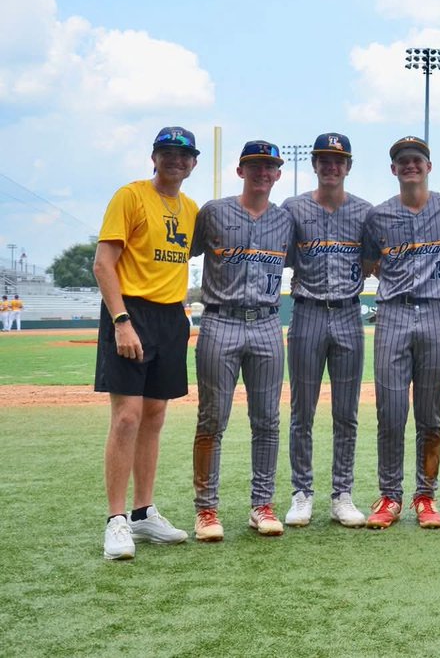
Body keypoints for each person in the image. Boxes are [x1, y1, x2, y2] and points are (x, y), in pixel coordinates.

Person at [93, 126, 200, 560]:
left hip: (171, 315)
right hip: (130, 312)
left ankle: (143, 513)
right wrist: (121, 320)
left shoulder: (191, 209)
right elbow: (103, 264)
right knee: (127, 417)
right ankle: (115, 519)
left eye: (183, 154)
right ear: (153, 157)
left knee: (154, 416)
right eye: (166, 152)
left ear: (193, 163)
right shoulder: (131, 196)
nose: (175, 160)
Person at [361, 136, 440, 529]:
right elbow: (369, 262)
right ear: (393, 169)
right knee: (390, 412)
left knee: (430, 414)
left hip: (438, 313)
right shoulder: (378, 216)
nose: (410, 166)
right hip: (392, 313)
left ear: (429, 166)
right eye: (403, 161)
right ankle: (390, 496)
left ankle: (426, 496)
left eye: (417, 160)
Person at [191, 140, 294, 540]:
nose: (262, 173)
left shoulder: (285, 220)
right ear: (240, 171)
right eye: (255, 166)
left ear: (278, 174)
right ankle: (206, 510)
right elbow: (186, 251)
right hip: (220, 321)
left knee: (267, 420)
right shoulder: (214, 212)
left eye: (269, 167)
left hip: (268, 323)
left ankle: (262, 505)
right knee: (212, 419)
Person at [281, 133, 371, 529]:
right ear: (315, 164)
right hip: (307, 314)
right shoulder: (293, 208)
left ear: (348, 166)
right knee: (302, 410)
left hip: (350, 314)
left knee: (346, 413)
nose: (331, 166)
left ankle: (342, 494)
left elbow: (375, 260)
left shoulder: (366, 213)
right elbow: (276, 256)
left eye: (338, 160)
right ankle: (302, 494)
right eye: (324, 159)